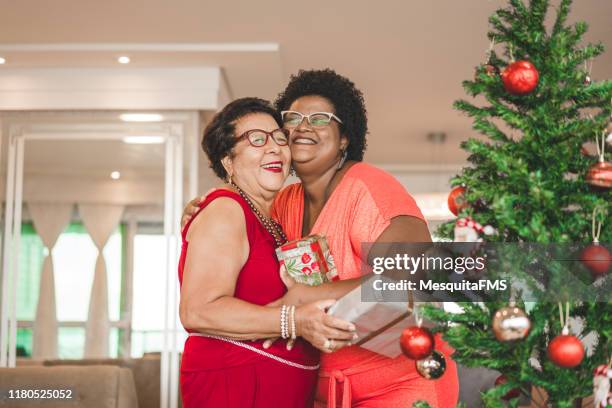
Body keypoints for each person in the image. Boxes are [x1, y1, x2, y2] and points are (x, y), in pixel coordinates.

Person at [183, 71, 459, 407]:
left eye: (320, 118)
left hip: (398, 386)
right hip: (324, 392)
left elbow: (418, 279)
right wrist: (215, 205)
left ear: (344, 137)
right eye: (293, 119)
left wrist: (307, 296)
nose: (302, 127)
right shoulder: (283, 203)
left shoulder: (368, 187)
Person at [178, 97, 356, 408]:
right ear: (228, 161)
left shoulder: (274, 219)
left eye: (278, 137)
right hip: (236, 387)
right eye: (256, 140)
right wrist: (294, 321)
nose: (274, 148)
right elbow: (198, 310)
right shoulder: (225, 210)